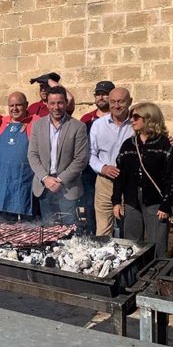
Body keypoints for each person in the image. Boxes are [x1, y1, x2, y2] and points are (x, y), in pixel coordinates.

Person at [90, 87, 173, 237]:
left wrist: (166, 204)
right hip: (106, 182)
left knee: (142, 233)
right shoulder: (99, 125)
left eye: (120, 101)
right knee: (106, 230)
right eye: (112, 102)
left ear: (129, 102)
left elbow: (170, 175)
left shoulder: (144, 132)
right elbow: (90, 154)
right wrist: (103, 168)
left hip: (137, 187)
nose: (116, 105)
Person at [112, 103, 173, 258]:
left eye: (136, 117)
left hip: (156, 201)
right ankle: (133, 275)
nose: (132, 121)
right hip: (131, 200)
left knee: (158, 243)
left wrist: (166, 205)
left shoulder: (166, 145)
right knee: (131, 243)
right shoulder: (128, 144)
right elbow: (119, 175)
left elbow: (171, 177)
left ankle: (157, 276)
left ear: (149, 119)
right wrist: (116, 201)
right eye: (131, 117)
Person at [27, 86, 89, 225]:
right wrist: (45, 178)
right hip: (44, 187)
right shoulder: (37, 125)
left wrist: (60, 180)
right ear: (47, 104)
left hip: (67, 188)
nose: (56, 107)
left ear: (66, 103)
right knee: (49, 231)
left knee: (69, 231)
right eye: (52, 103)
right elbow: (32, 154)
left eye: (60, 103)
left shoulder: (78, 127)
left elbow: (81, 159)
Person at [0, 92, 36, 221]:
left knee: (27, 231)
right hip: (2, 183)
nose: (14, 108)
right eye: (11, 105)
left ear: (26, 105)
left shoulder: (36, 122)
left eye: (18, 105)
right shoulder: (2, 122)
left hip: (25, 182)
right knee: (4, 229)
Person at [79, 80, 116, 235]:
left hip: (114, 173)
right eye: (98, 94)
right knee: (91, 210)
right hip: (90, 173)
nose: (101, 97)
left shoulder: (119, 118)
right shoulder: (86, 119)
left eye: (105, 94)